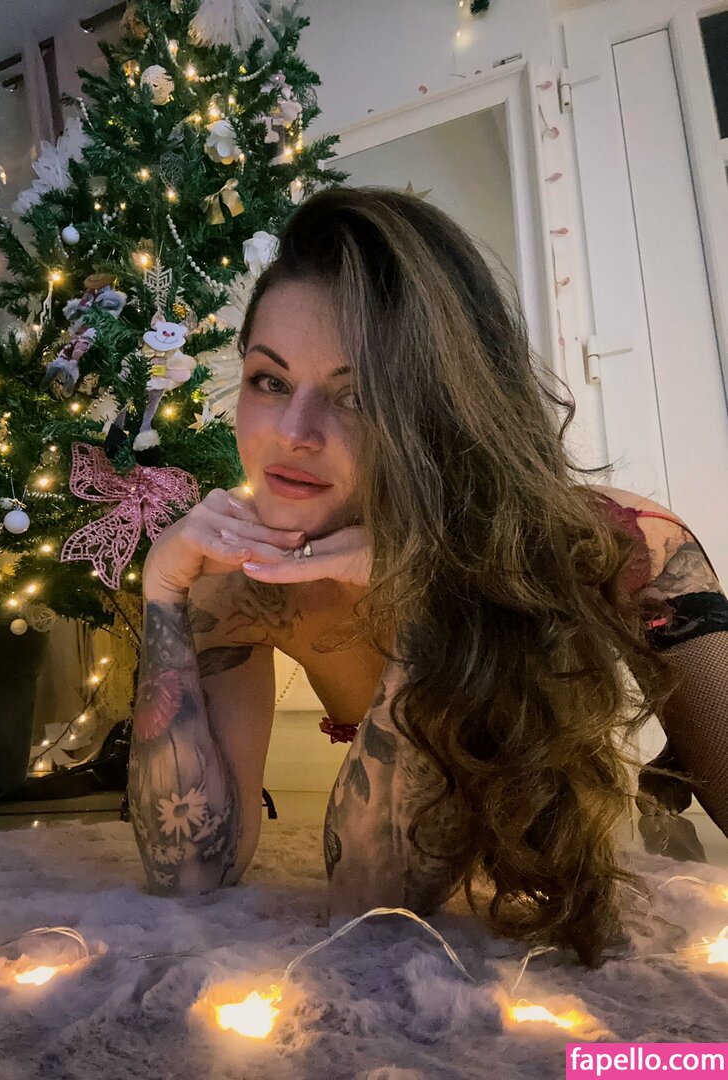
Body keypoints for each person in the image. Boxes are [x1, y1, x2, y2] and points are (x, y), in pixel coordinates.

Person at [127, 186, 728, 969]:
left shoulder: (626, 547)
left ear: (445, 408)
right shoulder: (242, 582)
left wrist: (431, 591)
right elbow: (218, 879)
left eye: (358, 395)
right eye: (269, 381)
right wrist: (162, 595)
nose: (293, 434)